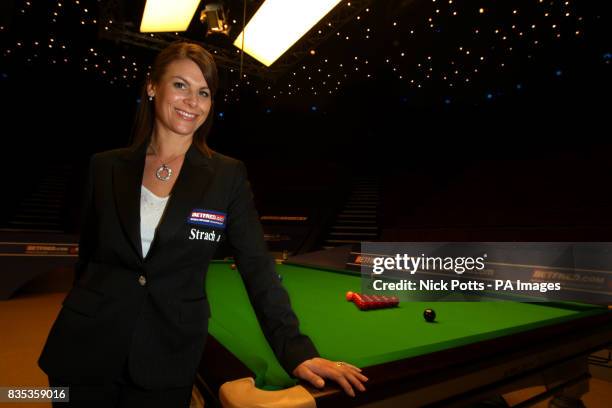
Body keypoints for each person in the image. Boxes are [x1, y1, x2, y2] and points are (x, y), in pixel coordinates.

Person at [37, 41, 367, 407]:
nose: (192, 101)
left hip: (166, 358)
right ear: (152, 86)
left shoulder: (226, 175)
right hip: (84, 348)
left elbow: (257, 267)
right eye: (180, 85)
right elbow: (89, 258)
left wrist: (296, 350)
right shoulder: (104, 166)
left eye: (204, 92)